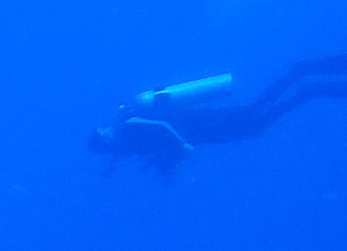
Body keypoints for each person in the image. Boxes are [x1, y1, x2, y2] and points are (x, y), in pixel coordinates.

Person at [90, 55, 347, 177]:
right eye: (104, 131)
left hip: (204, 124)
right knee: (257, 120)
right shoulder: (126, 143)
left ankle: (304, 75)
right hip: (206, 129)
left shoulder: (129, 128)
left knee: (256, 114)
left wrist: (181, 146)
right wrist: (168, 166)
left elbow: (158, 126)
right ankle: (310, 85)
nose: (107, 129)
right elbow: (161, 140)